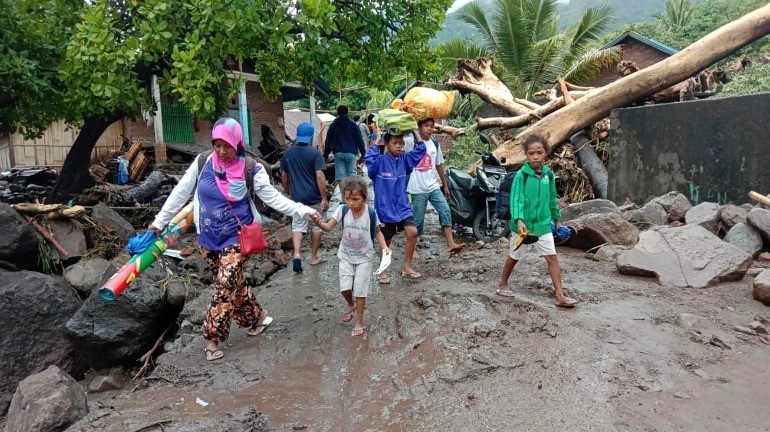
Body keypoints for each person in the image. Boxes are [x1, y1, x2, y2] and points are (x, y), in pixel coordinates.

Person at [148, 117, 322, 361]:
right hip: (207, 239)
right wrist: (159, 222)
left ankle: (211, 339)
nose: (221, 151)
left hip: (236, 238)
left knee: (224, 285)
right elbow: (181, 192)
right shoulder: (203, 162)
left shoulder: (251, 168)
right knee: (234, 284)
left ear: (237, 143)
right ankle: (257, 318)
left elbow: (274, 198)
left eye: (226, 146)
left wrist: (303, 210)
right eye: (217, 144)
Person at [496, 133, 578, 308]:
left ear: (545, 153)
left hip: (542, 225)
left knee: (552, 258)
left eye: (539, 152)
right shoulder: (521, 175)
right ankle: (503, 283)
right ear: (526, 154)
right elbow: (516, 199)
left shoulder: (548, 175)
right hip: (524, 228)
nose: (535, 156)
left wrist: (557, 219)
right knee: (514, 255)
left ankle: (559, 295)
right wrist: (518, 220)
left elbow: (551, 199)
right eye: (531, 153)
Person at [316, 176, 390, 336]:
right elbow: (328, 227)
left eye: (355, 199)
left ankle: (359, 322)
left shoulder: (371, 213)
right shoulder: (342, 210)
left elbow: (377, 232)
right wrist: (319, 223)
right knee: (345, 288)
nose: (351, 203)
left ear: (364, 197)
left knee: (360, 291)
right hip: (346, 256)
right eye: (347, 199)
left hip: (364, 258)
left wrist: (384, 247)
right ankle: (350, 303)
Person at [365, 129, 426, 283]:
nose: (399, 146)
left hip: (403, 206)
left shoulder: (405, 160)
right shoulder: (379, 162)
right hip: (386, 209)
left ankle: (406, 267)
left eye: (401, 143)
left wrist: (413, 130)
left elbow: (421, 149)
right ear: (386, 144)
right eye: (395, 143)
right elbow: (369, 158)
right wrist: (377, 138)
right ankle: (383, 271)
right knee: (386, 241)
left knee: (412, 232)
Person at [403, 118, 466, 253]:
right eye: (426, 126)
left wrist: (445, 185)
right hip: (417, 188)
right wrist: (413, 131)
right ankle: (412, 249)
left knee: (445, 210)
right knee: (418, 219)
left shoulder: (435, 145)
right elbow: (397, 145)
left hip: (433, 185)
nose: (430, 129)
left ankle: (450, 243)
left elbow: (439, 165)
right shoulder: (410, 143)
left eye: (432, 126)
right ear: (419, 127)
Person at [281, 122, 329, 273]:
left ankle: (297, 254)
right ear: (310, 136)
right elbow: (320, 176)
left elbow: (284, 175)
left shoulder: (287, 153)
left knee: (298, 226)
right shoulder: (315, 154)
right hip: (314, 197)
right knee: (316, 225)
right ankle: (314, 257)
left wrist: (288, 191)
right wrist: (324, 197)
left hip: (297, 198)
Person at [324, 105, 366, 181]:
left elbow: (328, 142)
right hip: (351, 154)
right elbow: (360, 141)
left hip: (338, 154)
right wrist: (363, 154)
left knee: (341, 177)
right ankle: (352, 193)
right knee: (353, 177)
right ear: (347, 113)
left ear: (337, 113)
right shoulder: (353, 125)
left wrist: (326, 155)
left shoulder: (333, 126)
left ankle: (344, 193)